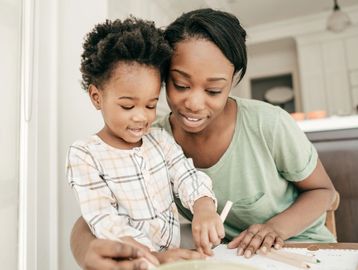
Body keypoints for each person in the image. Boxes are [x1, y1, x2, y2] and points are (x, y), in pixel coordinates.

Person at [70, 8, 337, 269]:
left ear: (233, 81)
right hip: (231, 257)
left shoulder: (269, 124)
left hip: (304, 250)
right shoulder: (152, 139)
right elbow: (96, 214)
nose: (195, 103)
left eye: (213, 90)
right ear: (163, 78)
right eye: (181, 85)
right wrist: (86, 252)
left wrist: (274, 228)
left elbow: (325, 192)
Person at [66, 17, 225, 269]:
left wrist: (203, 207)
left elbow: (186, 176)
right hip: (131, 263)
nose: (142, 116)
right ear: (97, 97)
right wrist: (152, 258)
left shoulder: (160, 140)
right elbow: (103, 220)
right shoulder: (85, 154)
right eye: (128, 106)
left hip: (172, 260)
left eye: (151, 105)